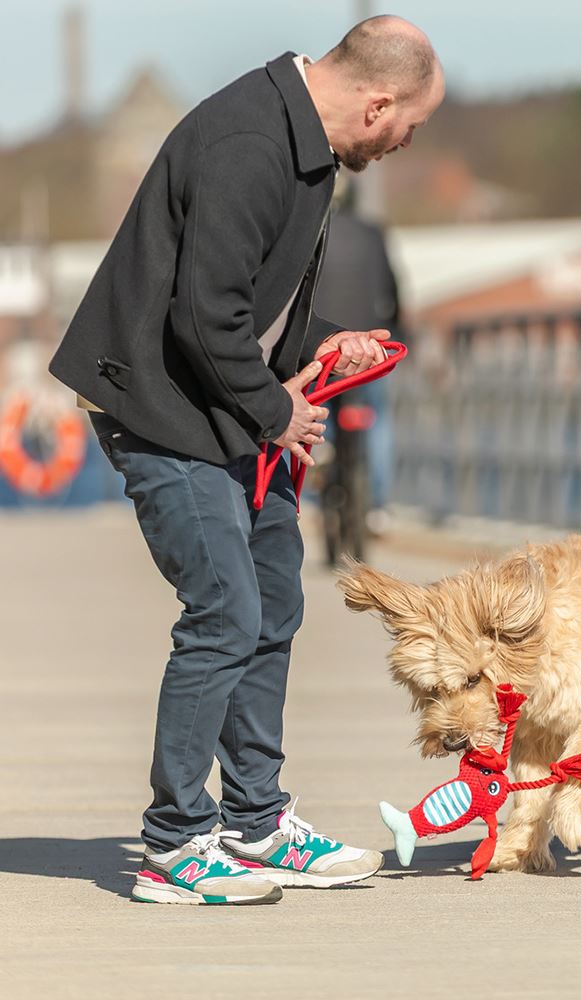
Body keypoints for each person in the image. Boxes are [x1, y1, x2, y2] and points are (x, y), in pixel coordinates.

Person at [48, 16, 445, 905]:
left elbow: (251, 308)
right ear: (377, 102)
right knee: (225, 609)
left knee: (272, 598)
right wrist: (279, 412)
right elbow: (203, 316)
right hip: (161, 410)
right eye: (409, 126)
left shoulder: (308, 149)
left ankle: (256, 822)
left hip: (218, 407)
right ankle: (176, 846)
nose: (405, 143)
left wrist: (327, 346)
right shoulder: (250, 141)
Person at [313, 180, 402, 534]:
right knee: (376, 420)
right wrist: (396, 332)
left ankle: (323, 452)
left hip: (321, 347)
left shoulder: (311, 232)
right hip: (370, 347)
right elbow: (393, 291)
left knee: (319, 413)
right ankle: (378, 506)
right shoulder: (372, 233)